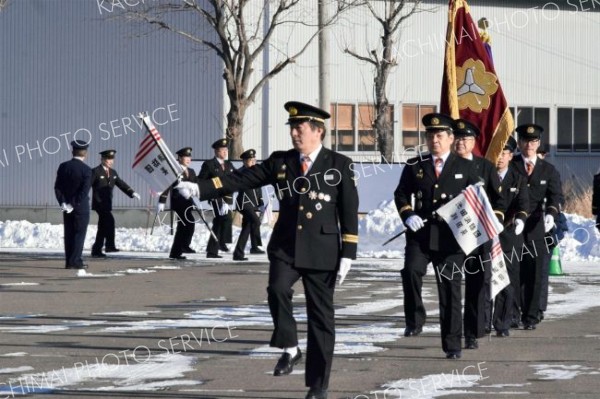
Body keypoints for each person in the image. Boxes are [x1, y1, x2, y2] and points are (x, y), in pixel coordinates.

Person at [180, 101, 358, 399]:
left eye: (300, 128)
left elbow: (349, 209)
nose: (294, 134)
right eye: (292, 128)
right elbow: (240, 179)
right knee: (276, 289)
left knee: (321, 318)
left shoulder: (338, 164)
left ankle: (318, 385)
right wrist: (201, 188)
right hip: (286, 246)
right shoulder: (281, 161)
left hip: (323, 249)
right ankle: (290, 346)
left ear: (318, 131)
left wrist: (348, 253)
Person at [394, 113, 489, 359]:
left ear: (450, 138)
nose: (434, 140)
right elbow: (401, 194)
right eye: (430, 135)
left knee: (450, 290)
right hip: (421, 235)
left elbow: (477, 202)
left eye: (439, 135)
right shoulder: (416, 165)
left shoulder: (466, 167)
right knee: (411, 271)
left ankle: (453, 344)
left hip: (450, 239)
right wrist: (408, 215)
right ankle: (415, 318)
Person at [451, 119, 506, 350]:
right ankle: (452, 334)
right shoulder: (446, 166)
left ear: (474, 142)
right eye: (458, 138)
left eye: (465, 138)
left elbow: (499, 199)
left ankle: (472, 332)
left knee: (476, 284)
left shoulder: (485, 167)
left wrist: (496, 219)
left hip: (478, 236)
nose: (461, 142)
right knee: (451, 287)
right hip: (452, 235)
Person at [511, 124, 562, 330]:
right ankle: (512, 313)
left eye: (533, 141)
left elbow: (556, 196)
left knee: (535, 273)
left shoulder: (547, 169)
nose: (529, 145)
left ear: (538, 143)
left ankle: (531, 316)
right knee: (514, 271)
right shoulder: (512, 165)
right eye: (525, 141)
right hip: (513, 226)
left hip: (536, 227)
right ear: (519, 143)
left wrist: (551, 213)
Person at [492, 136, 529, 337]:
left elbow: (524, 204)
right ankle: (481, 320)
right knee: (485, 278)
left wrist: (521, 219)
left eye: (504, 153)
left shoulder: (518, 178)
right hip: (488, 233)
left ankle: (503, 321)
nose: (500, 157)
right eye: (497, 152)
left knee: (508, 279)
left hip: (509, 235)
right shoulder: (485, 175)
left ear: (510, 155)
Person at [90, 149, 140, 257]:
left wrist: (132, 192)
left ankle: (96, 250)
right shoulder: (95, 171)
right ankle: (109, 246)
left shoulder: (113, 173)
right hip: (99, 204)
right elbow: (86, 185)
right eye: (108, 159)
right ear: (102, 159)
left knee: (102, 227)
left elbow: (121, 184)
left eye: (112, 159)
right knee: (110, 222)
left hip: (107, 204)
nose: (110, 161)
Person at [54, 140, 92, 269]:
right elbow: (84, 191)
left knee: (69, 234)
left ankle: (69, 262)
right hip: (81, 207)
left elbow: (57, 187)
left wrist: (63, 202)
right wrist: (73, 204)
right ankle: (75, 261)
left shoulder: (63, 166)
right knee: (79, 234)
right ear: (85, 153)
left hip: (66, 207)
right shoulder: (87, 170)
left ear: (72, 151)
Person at [158, 147, 198, 260]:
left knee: (182, 227)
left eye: (189, 157)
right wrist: (162, 201)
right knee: (189, 222)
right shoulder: (174, 170)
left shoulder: (191, 171)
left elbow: (196, 185)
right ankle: (184, 246)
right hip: (178, 202)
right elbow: (166, 185)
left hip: (188, 202)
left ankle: (175, 252)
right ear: (180, 158)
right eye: (186, 157)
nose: (188, 159)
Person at [198, 139, 236, 259]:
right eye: (222, 150)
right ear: (216, 151)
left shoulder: (229, 164)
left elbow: (233, 180)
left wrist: (229, 200)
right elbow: (202, 181)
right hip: (216, 198)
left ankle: (219, 244)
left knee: (224, 220)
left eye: (226, 150)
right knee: (221, 220)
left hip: (227, 198)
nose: (225, 152)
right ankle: (213, 249)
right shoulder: (209, 165)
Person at [232, 148, 265, 261]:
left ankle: (240, 252)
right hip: (244, 203)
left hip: (252, 203)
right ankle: (245, 250)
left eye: (254, 160)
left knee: (247, 225)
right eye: (251, 160)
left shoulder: (255, 171)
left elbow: (258, 188)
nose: (253, 162)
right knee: (255, 221)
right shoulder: (241, 172)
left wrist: (260, 202)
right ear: (245, 161)